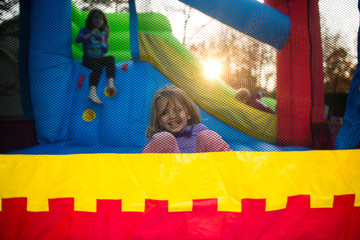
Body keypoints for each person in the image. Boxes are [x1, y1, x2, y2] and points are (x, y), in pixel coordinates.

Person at [142, 85, 232, 153]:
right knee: (163, 137)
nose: (172, 116)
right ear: (159, 121)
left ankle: (233, 165)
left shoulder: (200, 131)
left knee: (207, 135)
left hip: (201, 172)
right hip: (173, 174)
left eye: (178, 110)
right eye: (164, 113)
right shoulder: (160, 140)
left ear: (188, 113)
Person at [75, 9, 116, 104]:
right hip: (88, 59)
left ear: (103, 22)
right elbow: (78, 39)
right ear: (91, 19)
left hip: (99, 58)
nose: (99, 20)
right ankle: (92, 93)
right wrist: (90, 35)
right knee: (98, 68)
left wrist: (106, 37)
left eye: (101, 19)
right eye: (96, 18)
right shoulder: (84, 30)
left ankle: (110, 84)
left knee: (111, 58)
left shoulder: (101, 35)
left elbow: (105, 50)